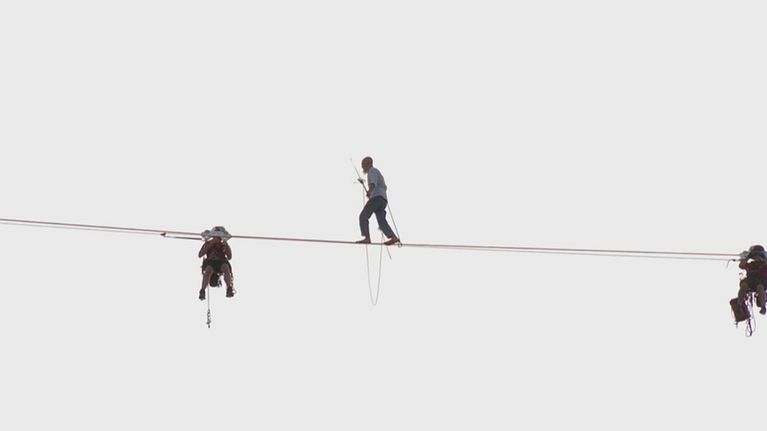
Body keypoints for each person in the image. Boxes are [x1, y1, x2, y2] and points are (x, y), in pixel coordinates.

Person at [355, 156, 400, 245]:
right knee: (381, 221)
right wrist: (370, 192)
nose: (362, 167)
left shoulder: (372, 171)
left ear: (367, 164)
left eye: (363, 165)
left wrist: (369, 192)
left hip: (377, 198)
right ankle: (393, 237)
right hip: (383, 200)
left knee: (363, 216)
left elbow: (373, 184)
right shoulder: (375, 171)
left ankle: (367, 238)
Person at [198, 230, 234, 300]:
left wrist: (211, 242)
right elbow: (229, 257)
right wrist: (225, 242)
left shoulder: (208, 243)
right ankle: (229, 288)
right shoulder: (221, 243)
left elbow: (200, 254)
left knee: (208, 270)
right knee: (225, 268)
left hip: (211, 261)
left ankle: (202, 290)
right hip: (220, 261)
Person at [738, 245, 767, 315]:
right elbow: (741, 265)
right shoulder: (751, 264)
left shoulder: (764, 264)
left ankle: (763, 307)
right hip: (750, 279)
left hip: (761, 280)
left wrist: (763, 257)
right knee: (744, 286)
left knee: (760, 287)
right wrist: (747, 257)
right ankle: (739, 304)